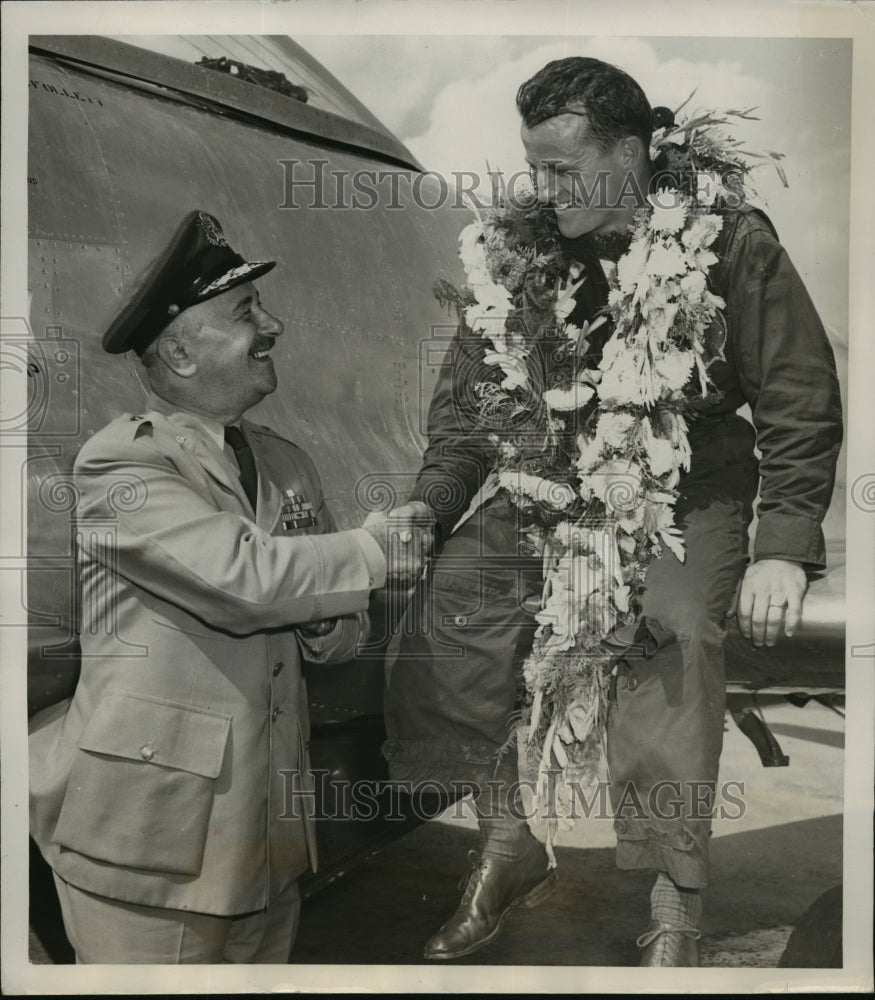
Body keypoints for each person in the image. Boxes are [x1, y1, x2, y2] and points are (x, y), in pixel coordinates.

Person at [383, 57, 843, 966]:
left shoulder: (730, 244)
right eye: (535, 168)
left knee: (674, 633)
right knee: (450, 607)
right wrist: (430, 507)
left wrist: (783, 546)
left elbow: (797, 398)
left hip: (689, 488)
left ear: (631, 155)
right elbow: (472, 417)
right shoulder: (512, 258)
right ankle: (508, 844)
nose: (543, 190)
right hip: (549, 487)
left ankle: (674, 905)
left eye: (564, 169)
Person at [28, 210, 428, 964]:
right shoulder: (123, 467)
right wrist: (372, 553)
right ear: (180, 350)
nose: (271, 325)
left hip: (263, 844)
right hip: (147, 849)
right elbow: (240, 581)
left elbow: (339, 636)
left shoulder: (285, 464)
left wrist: (327, 614)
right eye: (246, 312)